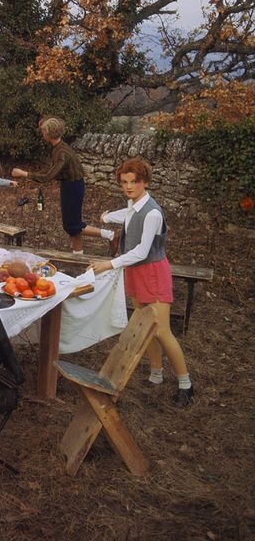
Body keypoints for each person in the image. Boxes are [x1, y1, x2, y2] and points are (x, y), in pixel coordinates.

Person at [89, 157, 194, 408]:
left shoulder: (153, 213)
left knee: (161, 330)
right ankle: (156, 374)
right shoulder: (134, 204)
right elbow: (127, 213)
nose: (128, 187)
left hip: (152, 272)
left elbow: (141, 251)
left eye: (134, 182)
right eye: (124, 182)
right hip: (135, 272)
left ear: (145, 182)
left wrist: (107, 264)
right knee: (145, 326)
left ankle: (186, 384)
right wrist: (106, 218)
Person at [12, 117, 116, 254]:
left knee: (73, 226)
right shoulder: (59, 146)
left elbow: (48, 177)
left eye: (43, 131)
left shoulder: (62, 153)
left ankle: (110, 236)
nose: (42, 134)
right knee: (71, 225)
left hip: (73, 188)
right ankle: (79, 254)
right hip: (70, 186)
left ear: (48, 134)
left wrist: (23, 173)